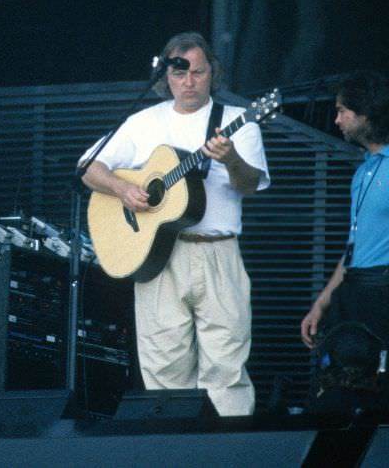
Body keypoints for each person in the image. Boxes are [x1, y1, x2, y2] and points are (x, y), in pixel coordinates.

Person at [79, 32, 270, 416]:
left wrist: (230, 159)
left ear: (212, 73)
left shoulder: (238, 122)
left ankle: (229, 453)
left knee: (226, 365)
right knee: (164, 366)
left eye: (198, 73)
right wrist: (122, 189)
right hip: (157, 256)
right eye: (180, 74)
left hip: (217, 252)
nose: (189, 82)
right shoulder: (142, 122)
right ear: (166, 76)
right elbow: (88, 167)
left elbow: (249, 185)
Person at [301, 71, 389, 348]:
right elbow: (353, 248)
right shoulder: (363, 170)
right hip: (353, 290)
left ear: (366, 113)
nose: (337, 120)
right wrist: (320, 305)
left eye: (342, 111)